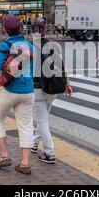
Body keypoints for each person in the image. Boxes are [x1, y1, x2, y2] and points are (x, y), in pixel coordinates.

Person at [0, 14, 35, 175]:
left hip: (9, 90)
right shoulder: (30, 46)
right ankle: (24, 163)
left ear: (6, 29)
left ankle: (4, 156)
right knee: (26, 125)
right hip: (28, 91)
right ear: (21, 28)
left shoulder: (6, 45)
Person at [30, 18, 73, 164]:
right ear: (44, 30)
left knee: (42, 119)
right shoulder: (52, 45)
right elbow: (62, 64)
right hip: (53, 87)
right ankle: (34, 144)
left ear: (31, 29)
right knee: (44, 117)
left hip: (37, 88)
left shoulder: (29, 47)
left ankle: (49, 153)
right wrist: (67, 82)